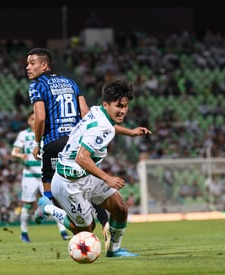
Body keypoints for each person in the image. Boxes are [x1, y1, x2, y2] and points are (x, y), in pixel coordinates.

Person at [26, 48, 147, 241]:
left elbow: (40, 117)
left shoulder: (37, 85)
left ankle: (48, 208)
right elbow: (85, 113)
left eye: (32, 63)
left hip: (53, 142)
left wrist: (37, 142)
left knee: (53, 191)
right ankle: (102, 221)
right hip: (75, 139)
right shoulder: (71, 83)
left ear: (44, 65)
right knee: (87, 178)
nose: (28, 67)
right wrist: (124, 132)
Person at [36, 79, 151, 257]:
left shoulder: (98, 111)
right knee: (87, 229)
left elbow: (109, 127)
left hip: (85, 176)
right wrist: (107, 178)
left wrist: (130, 132)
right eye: (119, 106)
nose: (123, 110)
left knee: (120, 208)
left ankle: (114, 250)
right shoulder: (101, 127)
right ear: (106, 104)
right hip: (69, 183)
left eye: (126, 106)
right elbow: (81, 158)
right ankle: (48, 208)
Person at [11, 110, 70, 242]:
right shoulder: (23, 135)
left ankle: (63, 232)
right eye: (32, 119)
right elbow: (14, 152)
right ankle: (24, 233)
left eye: (36, 118)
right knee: (27, 204)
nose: (34, 121)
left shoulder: (46, 133)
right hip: (30, 176)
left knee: (54, 202)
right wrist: (21, 155)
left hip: (46, 174)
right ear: (28, 121)